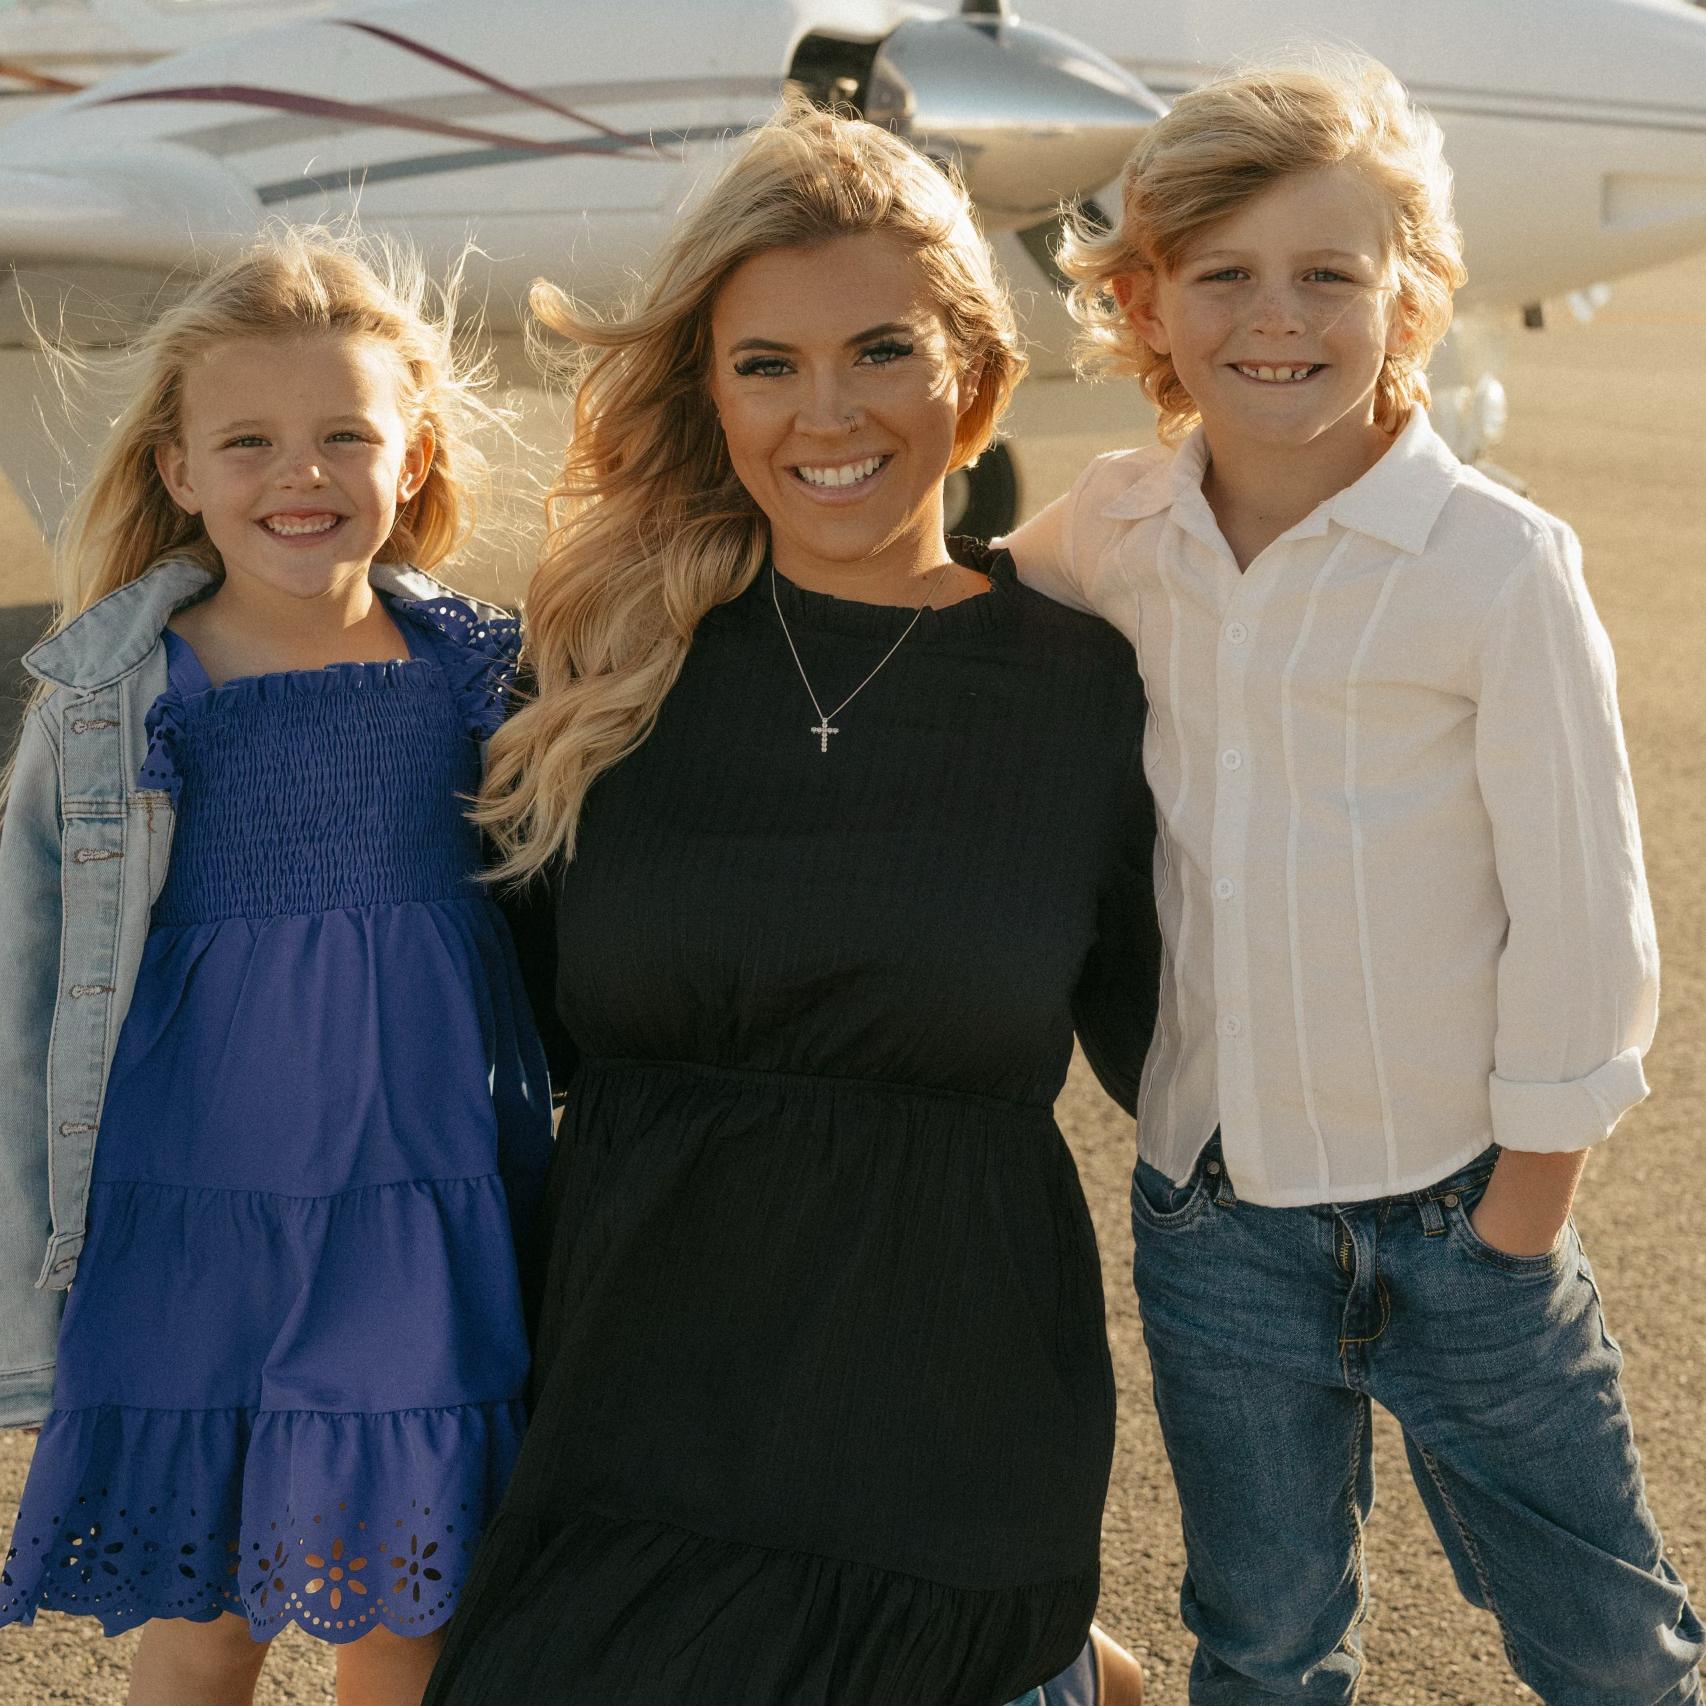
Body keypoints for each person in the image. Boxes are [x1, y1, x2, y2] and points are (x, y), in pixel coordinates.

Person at [421, 99, 1159, 1706]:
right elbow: (438, 1036)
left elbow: (1201, 1076)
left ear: (975, 374)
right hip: (626, 1459)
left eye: (881, 350)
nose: (826, 412)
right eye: (766, 363)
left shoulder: (1085, 692)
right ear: (709, 391)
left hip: (952, 1491)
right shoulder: (597, 673)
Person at [1001, 55, 1705, 1706]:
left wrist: (1517, 1219)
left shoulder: (1495, 566)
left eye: (1329, 272)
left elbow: (1583, 916)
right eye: (1223, 274)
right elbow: (943, 612)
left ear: (1411, 291)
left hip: (1464, 1222)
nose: (1277, 317)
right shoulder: (1118, 526)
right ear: (1141, 300)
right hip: (1212, 1225)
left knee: (1608, 1647)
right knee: (1262, 1640)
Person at [0, 227, 553, 1706]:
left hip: (421, 1203)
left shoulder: (484, 675)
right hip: (192, 1214)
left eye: (343, 436)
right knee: (210, 1618)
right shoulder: (110, 701)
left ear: (413, 455)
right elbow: (27, 989)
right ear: (177, 469)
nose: (297, 473)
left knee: (407, 1616)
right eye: (247, 441)